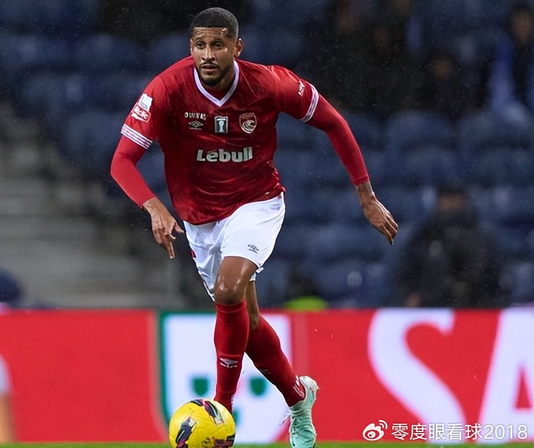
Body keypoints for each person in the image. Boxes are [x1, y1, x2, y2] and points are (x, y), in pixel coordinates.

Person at [110, 8, 398, 448]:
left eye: (218, 44)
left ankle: (221, 413)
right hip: (200, 219)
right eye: (200, 45)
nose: (208, 54)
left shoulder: (270, 83)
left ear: (237, 47)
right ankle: (298, 397)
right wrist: (153, 207)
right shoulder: (167, 88)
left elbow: (334, 123)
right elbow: (121, 161)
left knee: (228, 290)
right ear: (191, 48)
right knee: (248, 322)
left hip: (256, 203)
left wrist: (366, 195)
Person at [392, 182, 507, 308]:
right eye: (446, 198)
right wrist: (410, 296)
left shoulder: (480, 236)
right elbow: (405, 272)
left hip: (473, 306)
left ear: (463, 200)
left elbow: (494, 277)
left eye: (454, 198)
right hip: (431, 305)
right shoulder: (425, 235)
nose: (450, 203)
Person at [487, 1, 534, 115]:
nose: (523, 27)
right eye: (519, 22)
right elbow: (499, 90)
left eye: (526, 21)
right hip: (511, 113)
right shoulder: (502, 50)